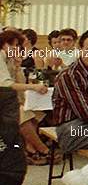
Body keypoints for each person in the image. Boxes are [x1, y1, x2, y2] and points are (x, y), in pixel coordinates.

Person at [0, 29, 53, 165]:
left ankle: (30, 148)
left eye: (17, 46)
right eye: (12, 45)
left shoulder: (10, 58)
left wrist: (17, 67)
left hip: (7, 100)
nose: (15, 49)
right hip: (4, 100)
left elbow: (20, 82)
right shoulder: (0, 56)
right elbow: (7, 84)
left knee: (33, 111)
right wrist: (33, 87)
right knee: (23, 113)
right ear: (4, 44)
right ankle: (43, 149)